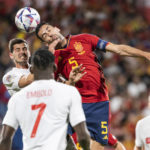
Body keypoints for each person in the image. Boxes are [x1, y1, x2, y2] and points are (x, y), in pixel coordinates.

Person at [35, 22, 150, 150]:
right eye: (44, 36)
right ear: (45, 43)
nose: (49, 34)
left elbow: (118, 49)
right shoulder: (53, 59)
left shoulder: (84, 39)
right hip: (75, 104)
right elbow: (52, 89)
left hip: (98, 103)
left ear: (56, 28)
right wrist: (70, 82)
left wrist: (145, 55)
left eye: (48, 29)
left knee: (101, 146)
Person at [2, 38, 86, 150]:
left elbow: (63, 92)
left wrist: (71, 81)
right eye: (17, 50)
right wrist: (49, 56)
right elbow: (28, 80)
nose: (22, 52)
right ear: (11, 55)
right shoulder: (9, 76)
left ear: (29, 52)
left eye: (24, 49)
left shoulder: (44, 69)